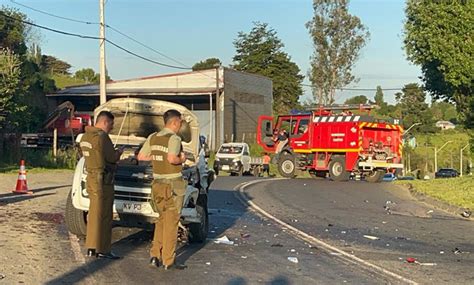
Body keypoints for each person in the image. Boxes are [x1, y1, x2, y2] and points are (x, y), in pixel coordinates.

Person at [137, 109, 187, 270]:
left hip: (157, 184)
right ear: (174, 122)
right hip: (172, 185)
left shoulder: (153, 137)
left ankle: (154, 255)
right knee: (172, 223)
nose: (180, 126)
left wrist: (156, 157)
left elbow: (141, 157)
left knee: (161, 221)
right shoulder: (174, 138)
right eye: (180, 122)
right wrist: (182, 158)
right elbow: (172, 159)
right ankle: (168, 260)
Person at [79, 111, 121, 259]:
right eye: (111, 124)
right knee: (103, 215)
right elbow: (111, 157)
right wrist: (118, 153)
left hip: (90, 177)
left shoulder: (85, 137)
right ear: (104, 122)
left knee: (93, 213)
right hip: (102, 180)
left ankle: (91, 247)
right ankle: (102, 248)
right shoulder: (102, 137)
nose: (112, 127)